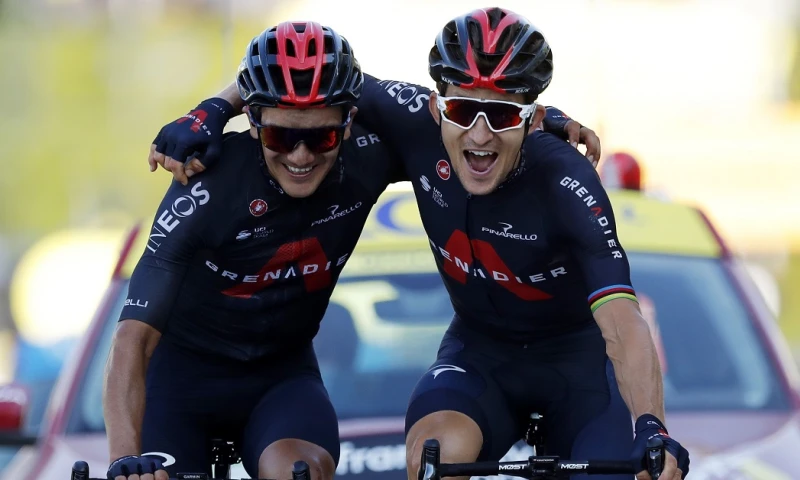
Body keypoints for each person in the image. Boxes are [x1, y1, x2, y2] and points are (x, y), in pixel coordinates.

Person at [145, 8, 689, 480]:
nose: (479, 135)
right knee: (437, 455)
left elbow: (622, 321)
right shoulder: (409, 123)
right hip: (481, 356)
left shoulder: (565, 177)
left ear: (531, 116)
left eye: (501, 115)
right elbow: (297, 74)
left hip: (576, 363)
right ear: (435, 106)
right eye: (461, 110)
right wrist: (212, 109)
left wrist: (651, 426)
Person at [102, 20, 408, 480]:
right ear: (254, 124)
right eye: (281, 137)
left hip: (280, 379)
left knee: (297, 471)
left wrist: (550, 121)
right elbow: (133, 338)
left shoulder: (371, 158)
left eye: (320, 137)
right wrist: (124, 460)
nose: (301, 156)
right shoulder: (207, 186)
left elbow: (471, 128)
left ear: (348, 124)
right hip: (179, 384)